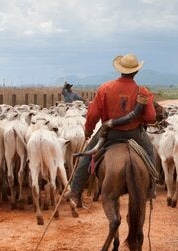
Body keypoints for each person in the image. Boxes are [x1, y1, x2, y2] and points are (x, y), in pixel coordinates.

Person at [64, 53, 157, 204]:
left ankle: (75, 190)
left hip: (109, 133)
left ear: (120, 70)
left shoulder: (105, 88)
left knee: (87, 155)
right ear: (136, 71)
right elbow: (151, 117)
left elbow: (93, 114)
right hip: (135, 134)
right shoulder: (142, 91)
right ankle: (151, 188)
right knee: (150, 151)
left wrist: (88, 130)